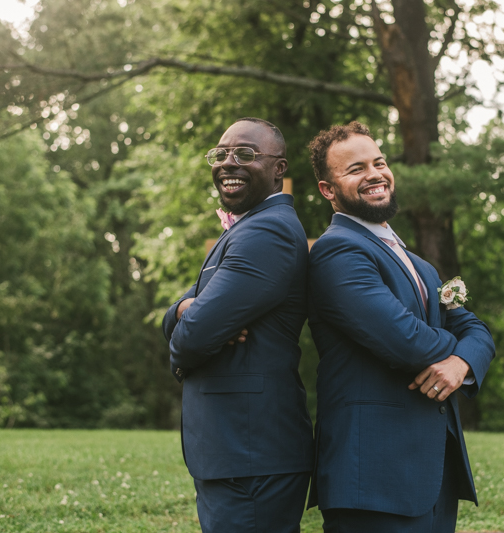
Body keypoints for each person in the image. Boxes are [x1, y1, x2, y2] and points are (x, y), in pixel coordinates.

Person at [306, 121, 495, 532]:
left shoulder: (420, 265)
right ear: (328, 190)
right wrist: (455, 345)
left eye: (379, 162)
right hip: (373, 473)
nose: (375, 173)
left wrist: (460, 363)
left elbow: (477, 330)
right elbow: (404, 339)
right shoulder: (336, 252)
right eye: (355, 169)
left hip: (432, 470)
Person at [162, 118, 313, 533]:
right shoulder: (250, 227)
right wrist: (179, 312)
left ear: (279, 169)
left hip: (252, 453)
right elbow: (189, 315)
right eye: (221, 154)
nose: (228, 163)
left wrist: (185, 327)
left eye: (245, 154)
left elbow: (192, 338)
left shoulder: (268, 232)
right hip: (237, 451)